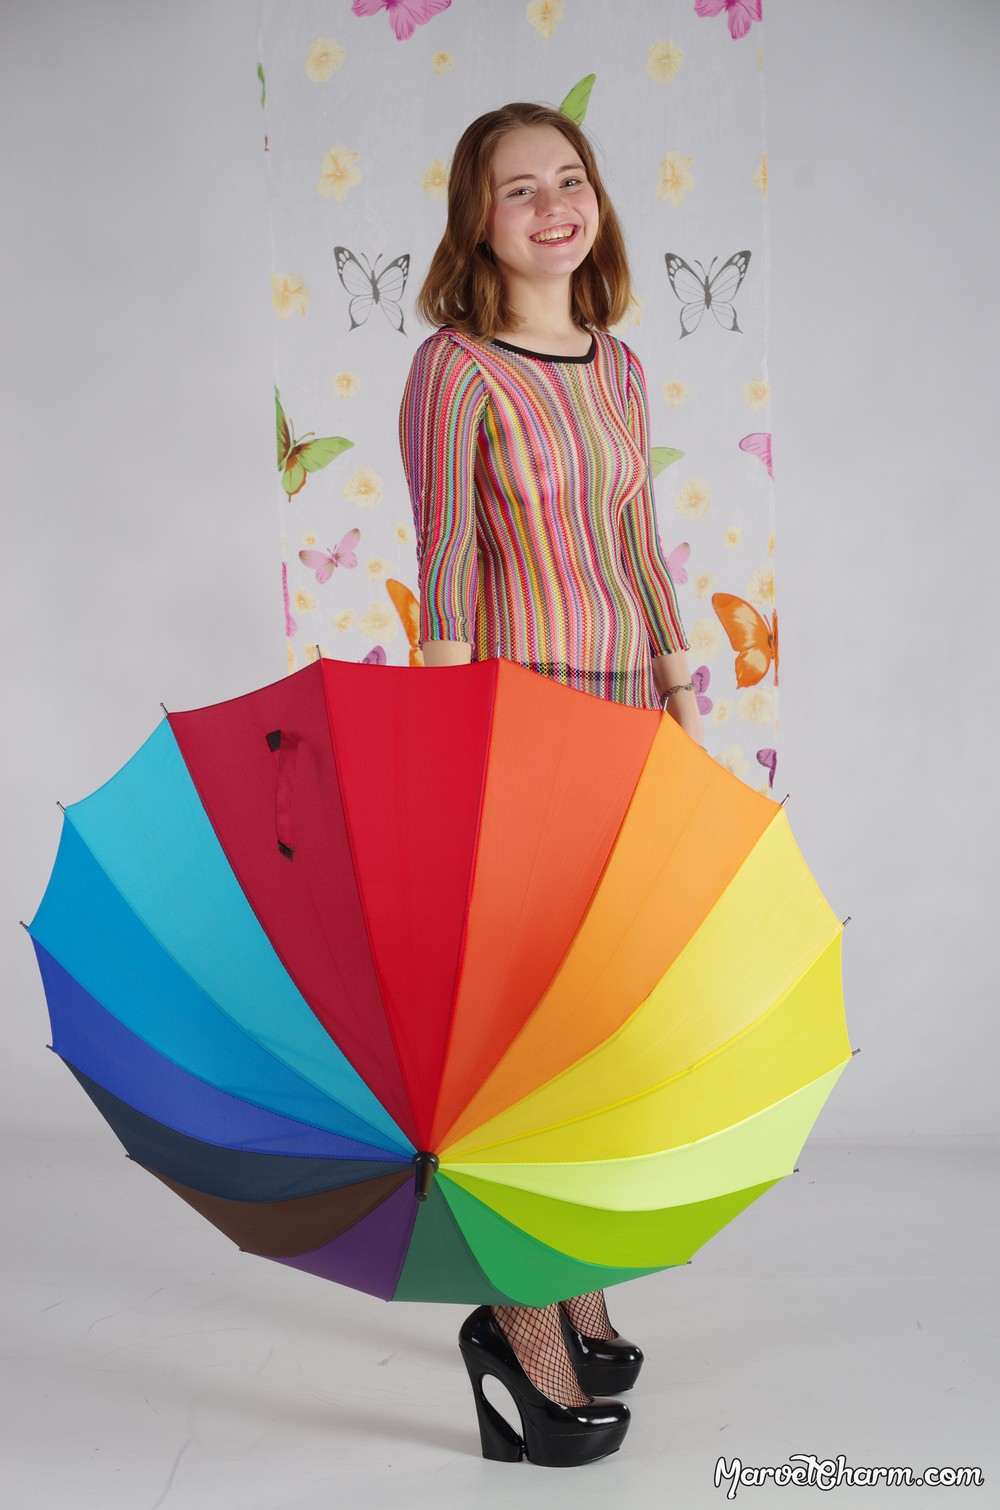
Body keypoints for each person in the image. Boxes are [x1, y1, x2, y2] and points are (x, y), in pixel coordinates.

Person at [398, 101, 704, 1468]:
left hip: (627, 718)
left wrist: (683, 704)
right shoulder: (455, 369)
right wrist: (445, 738)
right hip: (515, 721)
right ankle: (517, 1321)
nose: (551, 206)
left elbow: (638, 541)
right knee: (509, 1037)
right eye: (517, 188)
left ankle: (576, 1277)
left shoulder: (619, 365)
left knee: (597, 1022)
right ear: (478, 219)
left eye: (568, 179)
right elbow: (448, 560)